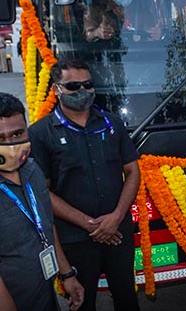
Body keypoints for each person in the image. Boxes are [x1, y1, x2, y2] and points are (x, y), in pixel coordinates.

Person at [29, 59, 141, 311]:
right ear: (57, 90)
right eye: (73, 86)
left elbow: (133, 171)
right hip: (75, 239)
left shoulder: (112, 123)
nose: (82, 91)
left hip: (117, 234)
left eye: (88, 84)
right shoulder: (40, 133)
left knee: (127, 299)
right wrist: (90, 224)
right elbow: (41, 191)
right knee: (82, 303)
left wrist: (116, 217)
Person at [0, 93, 84, 311]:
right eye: (1, 138)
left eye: (17, 133)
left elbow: (46, 226)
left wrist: (67, 274)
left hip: (45, 297)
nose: (10, 144)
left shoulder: (32, 170)